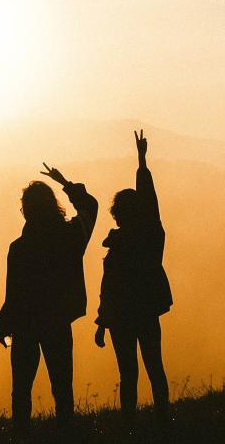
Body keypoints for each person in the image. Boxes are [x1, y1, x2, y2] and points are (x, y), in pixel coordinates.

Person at [0, 163, 98, 430]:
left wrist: (3, 322)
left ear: (26, 210)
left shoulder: (19, 248)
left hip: (25, 325)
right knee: (62, 385)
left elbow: (13, 292)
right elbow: (90, 207)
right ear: (53, 205)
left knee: (21, 388)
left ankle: (21, 434)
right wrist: (65, 182)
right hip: (58, 320)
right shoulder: (72, 236)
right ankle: (66, 433)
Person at [93, 130, 172, 425]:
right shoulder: (151, 236)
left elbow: (108, 289)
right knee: (154, 365)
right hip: (146, 311)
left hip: (121, 317)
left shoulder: (121, 244)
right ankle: (162, 420)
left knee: (128, 373)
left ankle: (129, 424)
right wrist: (141, 162)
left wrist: (103, 322)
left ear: (116, 215)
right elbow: (151, 203)